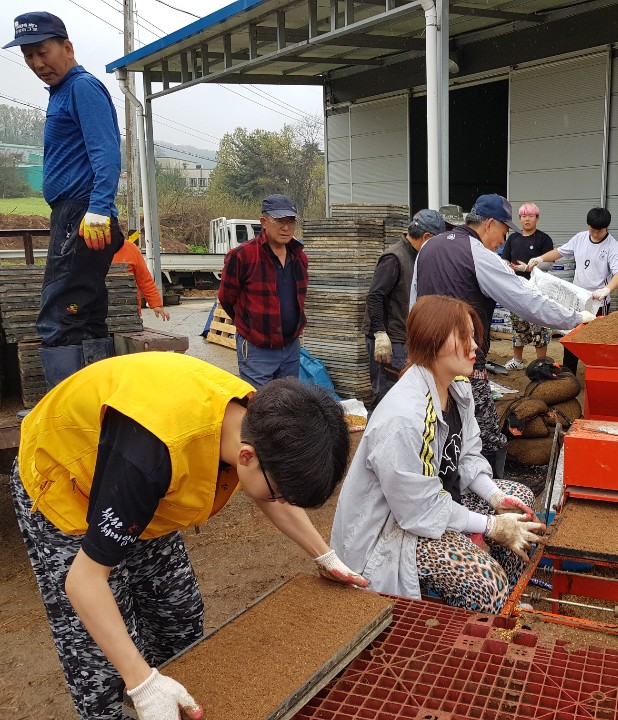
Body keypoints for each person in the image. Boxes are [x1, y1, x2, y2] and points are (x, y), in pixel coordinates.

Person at [11, 352, 366, 720]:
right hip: (68, 481)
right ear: (246, 457)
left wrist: (324, 555)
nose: (280, 502)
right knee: (105, 669)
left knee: (179, 621)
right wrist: (142, 683)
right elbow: (84, 581)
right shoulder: (151, 456)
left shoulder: (258, 419)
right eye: (279, 494)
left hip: (143, 482)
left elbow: (268, 485)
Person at [332, 295, 545, 612]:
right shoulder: (404, 419)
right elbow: (419, 511)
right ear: (434, 342)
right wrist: (490, 526)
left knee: (520, 501)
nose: (475, 347)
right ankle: (485, 614)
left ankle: (506, 601)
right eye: (464, 337)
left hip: (434, 504)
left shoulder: (458, 389)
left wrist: (496, 498)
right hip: (393, 530)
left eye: (473, 336)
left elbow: (467, 455)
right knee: (483, 579)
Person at [412, 194, 594, 477]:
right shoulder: (479, 255)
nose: (503, 240)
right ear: (489, 223)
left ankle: (441, 476)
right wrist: (575, 318)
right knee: (483, 431)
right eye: (504, 230)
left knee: (435, 421)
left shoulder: (429, 247)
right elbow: (525, 300)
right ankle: (487, 487)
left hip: (426, 357)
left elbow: (414, 302)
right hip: (465, 359)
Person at [7, 12, 124, 388]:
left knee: (59, 312)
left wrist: (98, 208)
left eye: (43, 52)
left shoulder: (81, 88)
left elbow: (107, 151)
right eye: (29, 56)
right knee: (85, 310)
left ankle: (66, 409)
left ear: (67, 47)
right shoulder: (62, 93)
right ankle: (95, 402)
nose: (37, 64)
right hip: (76, 212)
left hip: (83, 212)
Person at [218, 194, 307, 388]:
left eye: (290, 221)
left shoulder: (299, 257)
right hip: (257, 349)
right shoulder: (242, 256)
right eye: (279, 221)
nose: (286, 228)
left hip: (290, 347)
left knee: (289, 399)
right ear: (264, 222)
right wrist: (250, 326)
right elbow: (226, 298)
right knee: (260, 401)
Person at [363, 209, 445, 407]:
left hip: (403, 337)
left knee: (405, 395)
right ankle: (379, 426)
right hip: (390, 340)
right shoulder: (394, 257)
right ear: (426, 237)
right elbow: (375, 296)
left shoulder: (416, 256)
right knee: (388, 397)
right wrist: (380, 333)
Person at [527, 207, 618, 374]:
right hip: (577, 298)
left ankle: (596, 373)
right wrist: (540, 258)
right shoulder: (580, 238)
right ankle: (569, 373)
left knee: (594, 339)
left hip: (597, 301)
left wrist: (606, 289)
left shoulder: (612, 246)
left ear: (606, 228)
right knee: (572, 335)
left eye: (599, 231)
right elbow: (560, 252)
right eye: (592, 230)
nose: (595, 234)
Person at [501, 202, 554, 371]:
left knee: (539, 326)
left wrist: (529, 268)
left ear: (537, 218)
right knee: (518, 326)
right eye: (524, 216)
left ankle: (541, 362)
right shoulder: (513, 238)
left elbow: (549, 263)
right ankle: (517, 360)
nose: (527, 219)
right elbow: (504, 259)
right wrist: (508, 267)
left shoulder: (543, 239)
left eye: (531, 216)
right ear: (519, 218)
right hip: (516, 289)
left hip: (537, 290)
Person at [111, 231, 170, 321]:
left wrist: (156, 304)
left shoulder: (131, 249)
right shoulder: (90, 250)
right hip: (97, 313)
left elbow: (144, 279)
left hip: (130, 311)